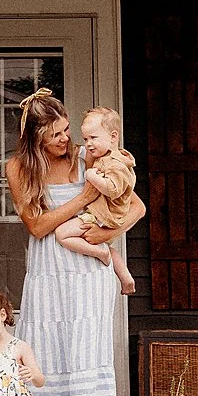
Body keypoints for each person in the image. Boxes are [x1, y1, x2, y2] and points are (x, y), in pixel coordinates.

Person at [7, 89, 121, 396]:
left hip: (87, 273)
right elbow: (36, 227)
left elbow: (127, 206)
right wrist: (83, 199)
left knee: (87, 360)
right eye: (55, 134)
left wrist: (102, 232)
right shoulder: (20, 167)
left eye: (67, 129)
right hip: (46, 276)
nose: (65, 139)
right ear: (35, 137)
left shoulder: (89, 156)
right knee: (49, 364)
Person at [51, 106, 145, 295]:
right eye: (86, 139)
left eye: (93, 138)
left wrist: (91, 176)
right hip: (103, 214)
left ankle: (101, 253)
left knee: (62, 234)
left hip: (102, 214)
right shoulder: (106, 158)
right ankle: (126, 279)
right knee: (108, 248)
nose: (89, 144)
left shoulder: (115, 163)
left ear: (113, 136)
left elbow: (113, 189)